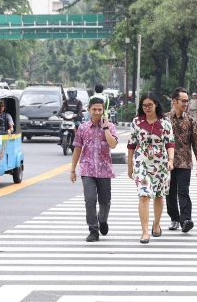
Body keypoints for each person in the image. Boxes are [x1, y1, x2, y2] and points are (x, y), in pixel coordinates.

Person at [127, 93, 175, 244]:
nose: (147, 108)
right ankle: (145, 231)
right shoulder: (136, 122)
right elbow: (131, 144)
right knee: (144, 195)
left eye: (149, 105)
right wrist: (130, 165)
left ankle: (156, 224)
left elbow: (170, 143)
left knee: (159, 195)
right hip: (141, 162)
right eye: (144, 105)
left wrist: (171, 160)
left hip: (161, 163)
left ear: (156, 105)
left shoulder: (165, 122)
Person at [70, 97, 118, 242]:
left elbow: (113, 144)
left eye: (100, 109)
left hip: (104, 170)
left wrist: (105, 128)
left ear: (104, 111)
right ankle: (93, 229)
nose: (97, 112)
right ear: (89, 110)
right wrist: (73, 170)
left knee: (105, 202)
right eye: (94, 109)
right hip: (87, 170)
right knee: (90, 199)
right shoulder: (83, 128)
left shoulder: (110, 126)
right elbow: (77, 149)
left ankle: (102, 221)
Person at [165, 87, 197, 233]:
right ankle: (175, 218)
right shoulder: (165, 119)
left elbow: (196, 142)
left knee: (184, 191)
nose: (186, 103)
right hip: (168, 162)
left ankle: (186, 219)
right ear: (174, 101)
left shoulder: (191, 121)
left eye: (187, 101)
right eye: (183, 101)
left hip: (185, 162)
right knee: (170, 192)